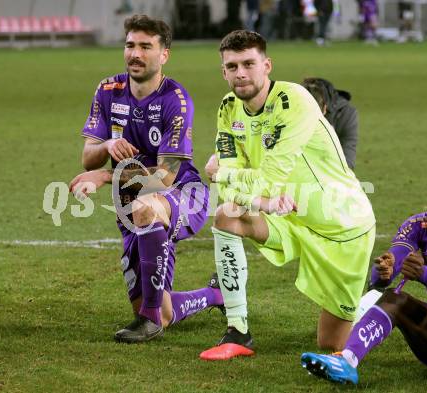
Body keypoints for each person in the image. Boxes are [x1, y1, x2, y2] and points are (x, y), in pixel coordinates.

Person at [199, 30, 375, 361]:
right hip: (289, 215)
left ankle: (375, 300)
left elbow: (264, 179)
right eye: (232, 66)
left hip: (343, 227)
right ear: (223, 72)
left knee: (331, 343)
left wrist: (223, 172)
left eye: (249, 63)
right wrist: (259, 202)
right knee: (227, 213)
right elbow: (235, 190)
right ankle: (238, 333)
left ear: (266, 65)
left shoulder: (294, 101)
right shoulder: (227, 109)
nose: (241, 73)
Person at [69, 14, 223, 343]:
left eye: (145, 47)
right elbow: (88, 155)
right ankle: (214, 295)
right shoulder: (108, 90)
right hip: (130, 198)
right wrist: (108, 145)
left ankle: (149, 322)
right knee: (161, 309)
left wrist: (105, 175)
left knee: (146, 207)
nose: (135, 54)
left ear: (163, 54)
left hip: (183, 193)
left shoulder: (176, 100)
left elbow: (166, 177)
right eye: (130, 45)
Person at [301, 212, 427, 384]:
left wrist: (423, 274)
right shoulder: (420, 224)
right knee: (394, 299)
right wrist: (386, 268)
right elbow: (378, 278)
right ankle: (346, 361)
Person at [302, 77, 358, 170]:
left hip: (331, 174)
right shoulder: (290, 112)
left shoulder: (346, 114)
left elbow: (348, 159)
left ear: (324, 107)